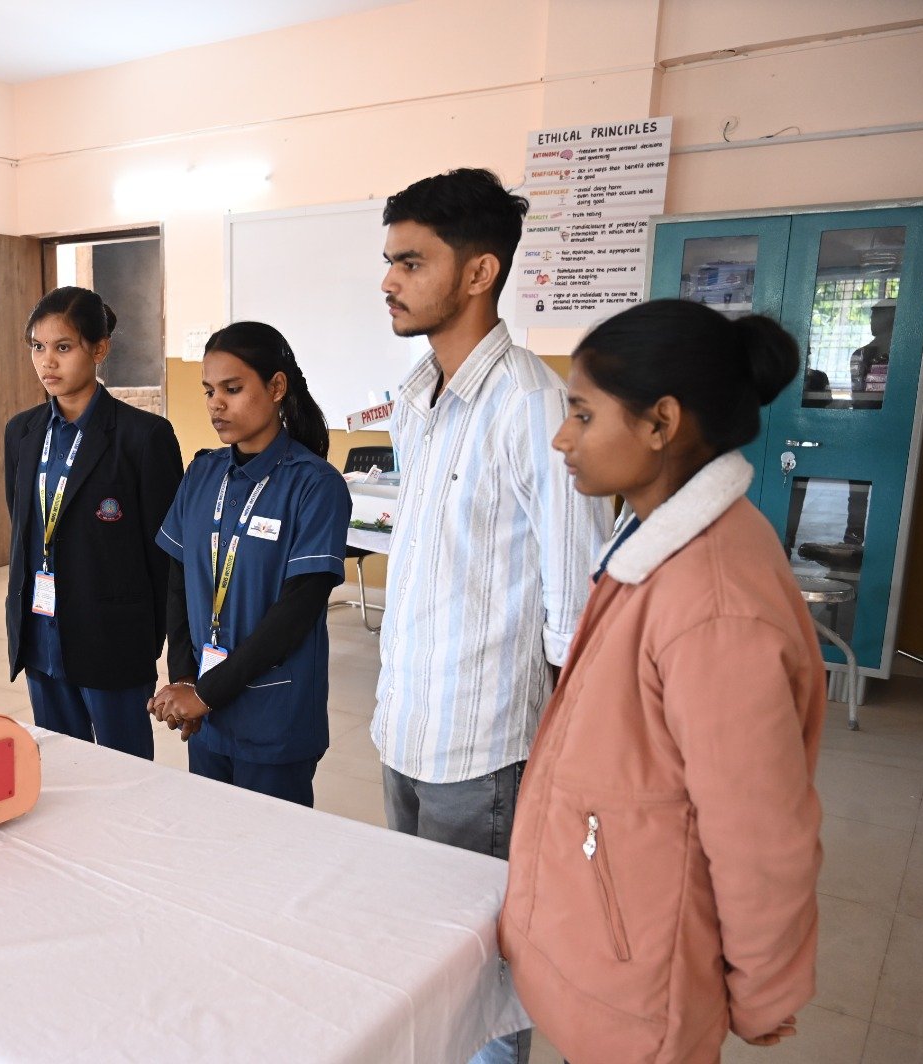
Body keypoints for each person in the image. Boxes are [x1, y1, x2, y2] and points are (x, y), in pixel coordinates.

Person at [499, 299, 824, 1062]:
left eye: (583, 415)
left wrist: (766, 987)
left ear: (661, 423)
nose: (562, 438)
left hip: (644, 977)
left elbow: (760, 832)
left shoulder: (714, 605)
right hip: (615, 937)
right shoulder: (655, 539)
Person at [371, 168, 612, 1064]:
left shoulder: (534, 405)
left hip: (483, 747)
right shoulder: (416, 398)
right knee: (423, 948)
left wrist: (567, 760)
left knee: (485, 976)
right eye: (389, 260)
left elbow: (576, 602)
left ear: (479, 272)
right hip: (405, 724)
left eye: (411, 262)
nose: (388, 281)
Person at [149, 322, 349, 806]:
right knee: (213, 838)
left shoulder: (315, 485)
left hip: (273, 716)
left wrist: (207, 692)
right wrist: (185, 678)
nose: (216, 404)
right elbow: (178, 582)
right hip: (207, 714)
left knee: (270, 847)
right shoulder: (202, 474)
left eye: (233, 389)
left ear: (277, 387)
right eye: (209, 391)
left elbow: (296, 612)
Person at [4, 286, 183, 757]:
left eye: (63, 347)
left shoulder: (144, 436)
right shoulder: (21, 432)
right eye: (38, 347)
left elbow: (165, 556)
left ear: (99, 349)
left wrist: (150, 641)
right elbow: (23, 528)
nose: (47, 362)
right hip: (40, 632)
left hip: (112, 636)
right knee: (64, 765)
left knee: (125, 771)